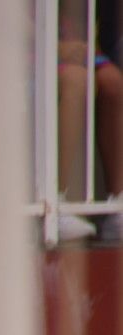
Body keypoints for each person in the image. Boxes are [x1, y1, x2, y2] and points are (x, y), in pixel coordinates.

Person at [56, 13, 123, 242]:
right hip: (28, 53)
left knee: (113, 83)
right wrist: (58, 48)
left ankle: (118, 203)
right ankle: (55, 200)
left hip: (69, 48)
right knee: (77, 81)